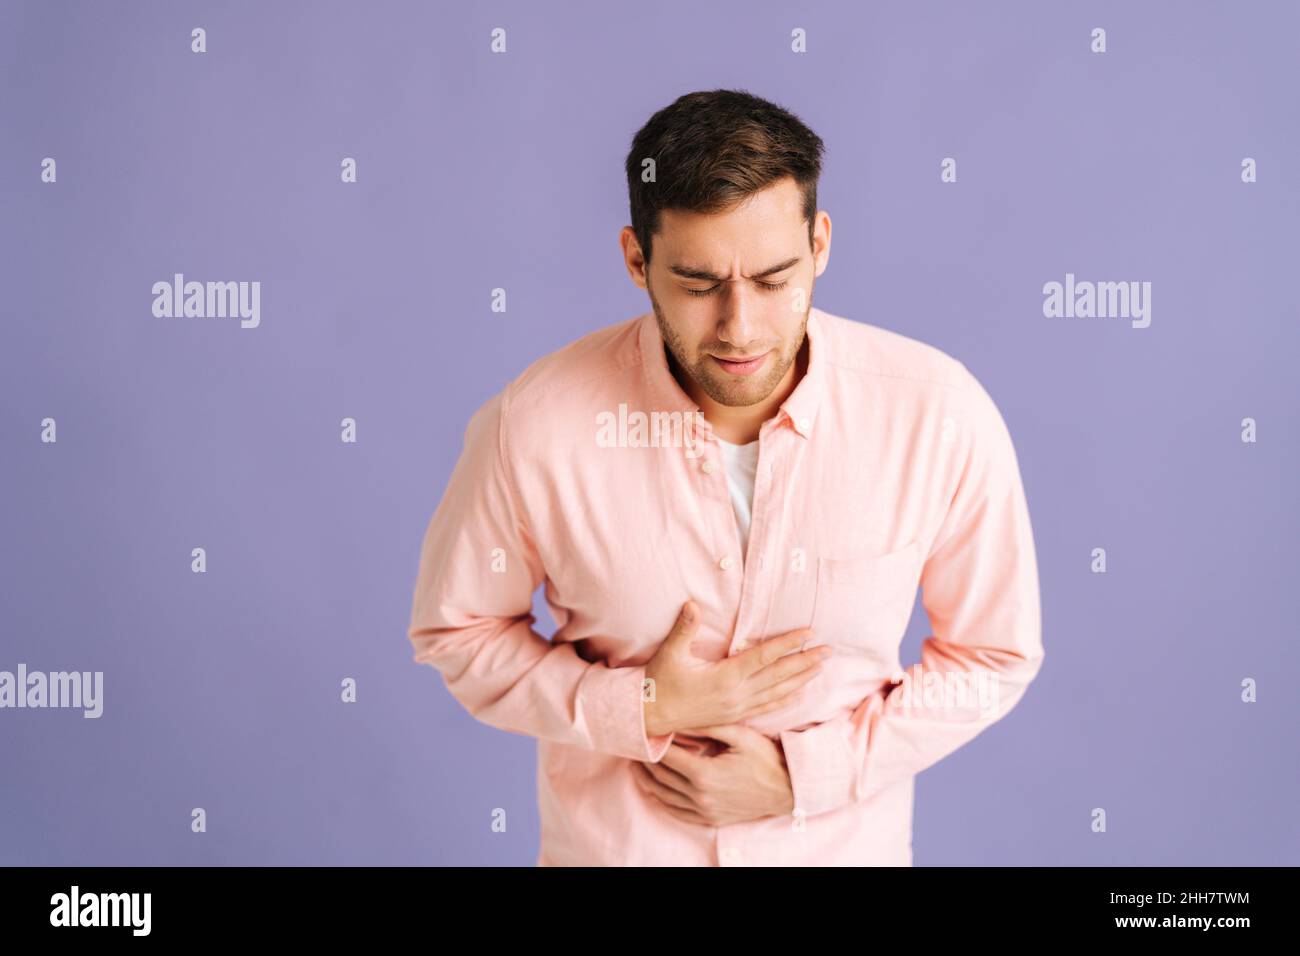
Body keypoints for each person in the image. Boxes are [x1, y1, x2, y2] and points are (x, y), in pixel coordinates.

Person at [407, 88, 1044, 866]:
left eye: (774, 280)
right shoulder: (533, 424)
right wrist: (638, 705)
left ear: (821, 245)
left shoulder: (938, 414)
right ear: (637, 260)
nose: (740, 327)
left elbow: (993, 655)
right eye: (700, 283)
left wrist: (806, 777)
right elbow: (458, 632)